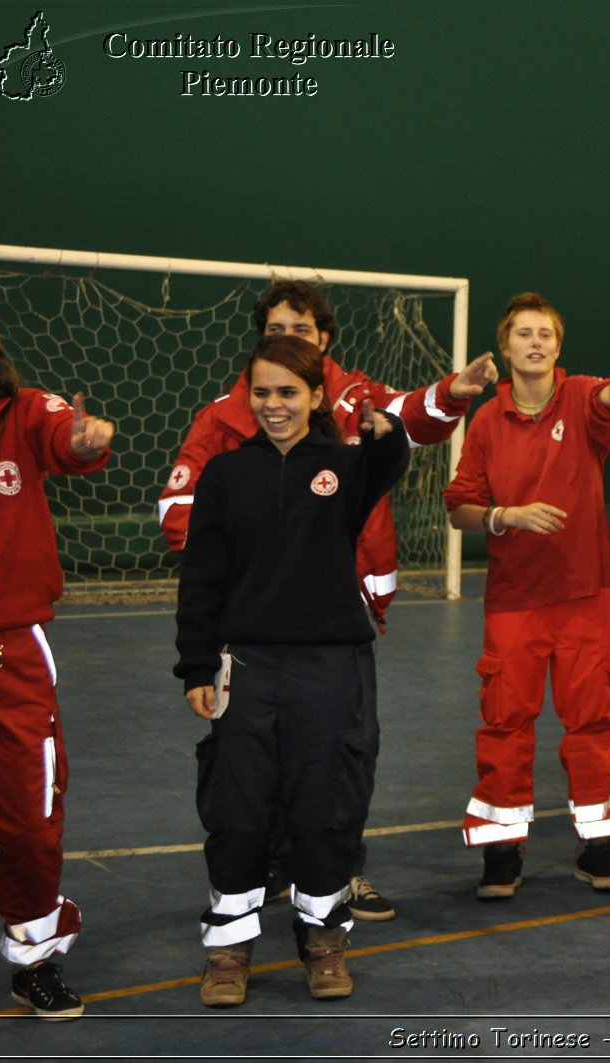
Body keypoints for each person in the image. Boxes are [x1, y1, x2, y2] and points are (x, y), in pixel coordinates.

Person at [158, 279, 496, 921]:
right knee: (250, 771)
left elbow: (406, 422)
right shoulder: (222, 419)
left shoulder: (354, 401)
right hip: (250, 632)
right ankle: (265, 880)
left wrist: (450, 392)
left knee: (341, 758)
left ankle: (339, 875)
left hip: (340, 624)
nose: (288, 344)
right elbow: (185, 516)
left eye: (301, 332)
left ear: (324, 344)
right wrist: (248, 568)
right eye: (276, 333)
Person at [175, 334, 411, 1007]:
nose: (274, 404)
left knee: (323, 808)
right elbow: (202, 578)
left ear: (314, 396)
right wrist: (196, 664)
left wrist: (384, 429)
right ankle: (228, 947)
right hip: (243, 667)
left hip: (326, 667)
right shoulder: (225, 474)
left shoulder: (345, 465)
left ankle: (324, 939)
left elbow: (390, 460)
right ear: (248, 395)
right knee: (238, 809)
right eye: (263, 391)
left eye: (288, 391)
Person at [446, 293, 610, 896]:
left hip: (586, 594)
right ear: (505, 347)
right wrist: (507, 516)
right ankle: (502, 852)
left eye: (546, 335)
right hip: (513, 601)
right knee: (506, 723)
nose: (535, 343)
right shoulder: (485, 421)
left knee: (590, 720)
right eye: (524, 334)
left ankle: (601, 845)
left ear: (558, 348)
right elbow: (460, 509)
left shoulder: (584, 395)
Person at [0, 304, 112, 1020]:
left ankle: (32, 957)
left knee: (29, 818)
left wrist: (86, 439)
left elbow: (70, 440)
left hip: (7, 649)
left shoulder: (24, 413)